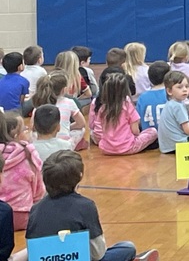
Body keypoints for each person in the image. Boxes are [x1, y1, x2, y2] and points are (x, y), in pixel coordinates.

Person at [15, 150, 158, 261]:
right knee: (127, 247)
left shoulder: (35, 209)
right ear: (80, 176)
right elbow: (98, 253)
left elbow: (33, 251)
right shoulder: (85, 206)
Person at [89, 74, 158, 156]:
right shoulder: (127, 106)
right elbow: (135, 130)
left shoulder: (102, 108)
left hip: (106, 149)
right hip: (128, 147)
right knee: (153, 131)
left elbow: (101, 128)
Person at [0, 112, 43, 230]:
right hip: (24, 216)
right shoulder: (27, 152)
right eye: (24, 129)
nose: (27, 131)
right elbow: (38, 191)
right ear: (15, 135)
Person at [135, 62, 170, 133]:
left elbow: (138, 120)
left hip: (149, 138)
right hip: (169, 137)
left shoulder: (142, 97)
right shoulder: (171, 94)